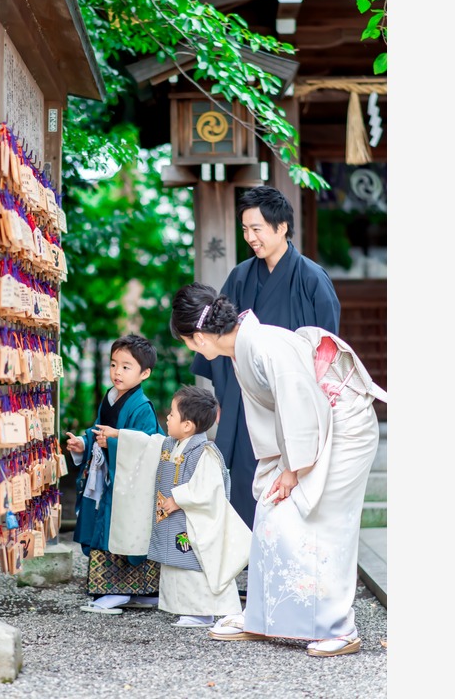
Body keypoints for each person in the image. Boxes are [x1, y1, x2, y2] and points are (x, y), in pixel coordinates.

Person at [170, 282, 386, 658]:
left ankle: (340, 627)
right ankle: (263, 615)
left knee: (326, 522)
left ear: (199, 338)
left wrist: (292, 469)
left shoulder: (263, 345)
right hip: (316, 429)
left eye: (187, 341)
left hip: (344, 427)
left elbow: (300, 406)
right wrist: (282, 467)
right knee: (271, 514)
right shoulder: (246, 346)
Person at [191, 185, 340, 531]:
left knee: (293, 484)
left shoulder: (312, 280)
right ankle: (243, 561)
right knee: (243, 475)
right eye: (245, 229)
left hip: (294, 405)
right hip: (245, 397)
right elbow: (218, 339)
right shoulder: (240, 277)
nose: (250, 237)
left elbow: (326, 351)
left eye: (256, 228)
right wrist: (223, 398)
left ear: (282, 226)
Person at [96, 385, 250, 628]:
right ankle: (185, 608)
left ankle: (202, 612)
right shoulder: (169, 445)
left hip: (191, 522)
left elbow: (210, 487)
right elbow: (146, 443)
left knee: (193, 566)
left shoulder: (204, 452)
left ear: (187, 425)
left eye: (171, 414)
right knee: (175, 564)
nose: (167, 418)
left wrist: (179, 498)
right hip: (172, 519)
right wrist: (119, 435)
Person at [65, 334, 163, 615]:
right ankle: (131, 590)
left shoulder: (142, 407)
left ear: (144, 373)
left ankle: (119, 590)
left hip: (128, 485)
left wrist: (117, 442)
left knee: (124, 531)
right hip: (109, 477)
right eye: (113, 364)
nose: (117, 372)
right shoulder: (110, 398)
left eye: (126, 366)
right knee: (106, 529)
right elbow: (98, 430)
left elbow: (147, 445)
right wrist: (83, 443)